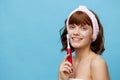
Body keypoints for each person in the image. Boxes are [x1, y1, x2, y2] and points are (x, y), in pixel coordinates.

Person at [58, 5, 110, 80]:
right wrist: (61, 78)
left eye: (83, 28)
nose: (76, 32)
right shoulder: (65, 64)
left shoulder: (97, 63)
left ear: (93, 34)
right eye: (72, 27)